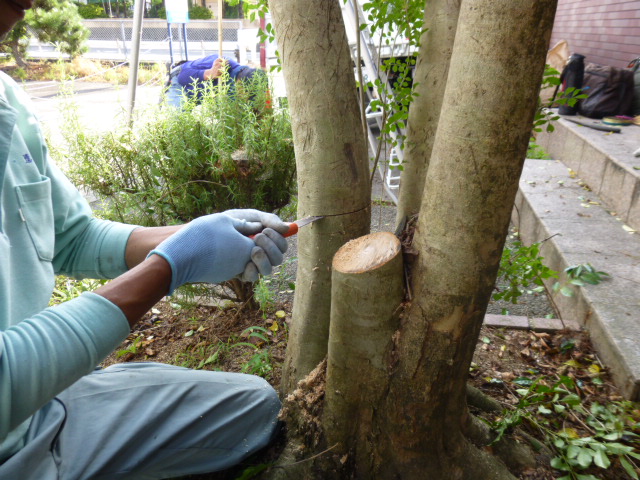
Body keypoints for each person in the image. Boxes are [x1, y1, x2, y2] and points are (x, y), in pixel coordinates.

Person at [0, 1, 289, 478]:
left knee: (252, 406)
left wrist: (202, 233)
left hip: (44, 400)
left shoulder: (9, 99)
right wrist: (171, 267)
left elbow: (72, 236)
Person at [166, 54, 263, 108]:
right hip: (179, 81)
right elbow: (183, 76)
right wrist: (210, 73)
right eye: (244, 93)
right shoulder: (221, 62)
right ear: (240, 83)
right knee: (176, 118)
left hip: (199, 96)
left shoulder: (250, 89)